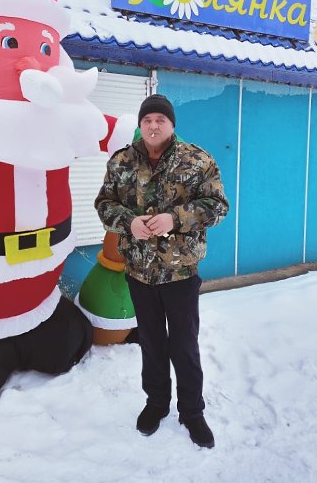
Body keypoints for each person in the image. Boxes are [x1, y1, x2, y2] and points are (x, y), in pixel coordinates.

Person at [94, 94, 229, 448]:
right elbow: (104, 204)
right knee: (152, 343)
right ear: (141, 125)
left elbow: (218, 206)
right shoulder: (122, 161)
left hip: (180, 273)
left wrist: (175, 219)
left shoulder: (197, 160)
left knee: (184, 344)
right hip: (139, 272)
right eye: (147, 120)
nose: (153, 126)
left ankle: (192, 411)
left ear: (172, 124)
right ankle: (156, 403)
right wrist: (128, 222)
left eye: (160, 120)